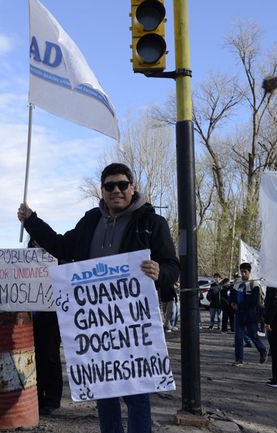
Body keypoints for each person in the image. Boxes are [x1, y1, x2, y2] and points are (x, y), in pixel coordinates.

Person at [17, 162, 180, 433]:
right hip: (95, 324)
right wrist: (31, 220)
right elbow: (59, 244)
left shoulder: (152, 223)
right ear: (102, 191)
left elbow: (173, 265)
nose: (116, 190)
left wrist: (161, 271)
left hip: (132, 323)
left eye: (122, 185)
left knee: (137, 392)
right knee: (104, 392)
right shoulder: (90, 221)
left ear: (132, 187)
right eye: (109, 186)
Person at [28, 237, 63, 416]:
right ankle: (38, 398)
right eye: (34, 243)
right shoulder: (24, 260)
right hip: (33, 316)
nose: (37, 246)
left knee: (50, 355)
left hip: (52, 315)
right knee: (35, 357)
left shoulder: (58, 257)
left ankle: (52, 399)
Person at [230, 262, 267, 366]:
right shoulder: (237, 282)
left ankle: (262, 350)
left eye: (245, 272)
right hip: (239, 314)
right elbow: (232, 295)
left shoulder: (254, 284)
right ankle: (239, 360)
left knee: (253, 335)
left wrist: (240, 306)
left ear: (249, 272)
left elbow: (254, 301)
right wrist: (232, 303)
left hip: (250, 314)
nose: (243, 274)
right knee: (238, 336)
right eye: (241, 272)